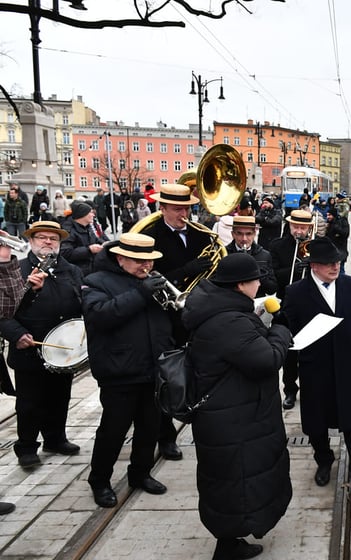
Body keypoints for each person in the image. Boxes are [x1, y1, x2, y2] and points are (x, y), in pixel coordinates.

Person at [181, 253, 293, 560]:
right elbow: (266, 359)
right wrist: (280, 330)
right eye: (256, 280)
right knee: (235, 482)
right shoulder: (229, 320)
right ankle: (227, 547)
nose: (260, 284)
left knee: (229, 481)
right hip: (234, 418)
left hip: (229, 413)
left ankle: (229, 542)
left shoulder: (218, 308)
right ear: (241, 285)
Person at [281, 237, 351, 490]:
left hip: (348, 363)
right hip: (316, 366)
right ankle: (324, 460)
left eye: (338, 262)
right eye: (328, 264)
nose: (335, 267)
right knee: (317, 420)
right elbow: (290, 333)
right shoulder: (296, 292)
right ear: (314, 265)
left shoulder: (349, 285)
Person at [82, 234, 173, 508]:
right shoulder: (95, 282)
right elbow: (101, 316)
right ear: (120, 258)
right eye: (139, 260)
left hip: (152, 366)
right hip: (118, 370)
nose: (145, 265)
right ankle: (99, 480)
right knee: (113, 430)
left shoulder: (151, 279)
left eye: (149, 260)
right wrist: (141, 293)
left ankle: (140, 473)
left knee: (149, 427)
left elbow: (164, 319)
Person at [137, 184, 216, 461]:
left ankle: (203, 421)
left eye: (187, 208)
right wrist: (188, 271)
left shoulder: (200, 233)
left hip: (197, 313)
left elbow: (213, 267)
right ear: (162, 209)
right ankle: (166, 436)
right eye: (177, 209)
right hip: (164, 315)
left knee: (201, 371)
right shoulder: (149, 236)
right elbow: (147, 275)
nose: (184, 213)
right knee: (167, 378)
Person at [0, 221, 83, 468]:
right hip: (30, 346)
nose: (48, 242)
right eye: (42, 238)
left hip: (63, 349)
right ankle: (26, 447)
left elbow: (81, 300)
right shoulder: (17, 270)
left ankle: (55, 439)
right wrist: (17, 335)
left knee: (60, 397)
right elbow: (3, 313)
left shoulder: (71, 270)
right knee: (29, 403)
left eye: (53, 239)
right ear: (31, 242)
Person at [269, 209, 314, 410]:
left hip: (310, 303)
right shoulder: (277, 246)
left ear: (309, 228)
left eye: (303, 228)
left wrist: (311, 265)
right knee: (289, 350)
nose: (299, 231)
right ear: (289, 226)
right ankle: (289, 388)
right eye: (295, 226)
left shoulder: (316, 246)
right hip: (285, 302)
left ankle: (310, 388)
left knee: (310, 348)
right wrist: (293, 270)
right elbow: (272, 275)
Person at [225, 216, 277, 298]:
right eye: (239, 233)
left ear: (254, 234)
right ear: (233, 234)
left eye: (248, 234)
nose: (244, 238)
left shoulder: (264, 255)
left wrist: (260, 275)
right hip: (230, 302)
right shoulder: (224, 254)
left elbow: (272, 289)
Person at [59, 202, 108, 277]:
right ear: (83, 215)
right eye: (91, 213)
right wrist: (89, 250)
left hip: (91, 269)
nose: (93, 215)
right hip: (76, 273)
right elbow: (65, 253)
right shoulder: (68, 230)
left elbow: (96, 240)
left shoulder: (87, 227)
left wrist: (105, 244)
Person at [325, 206, 350, 273]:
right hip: (330, 253)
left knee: (340, 271)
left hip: (340, 252)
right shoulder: (328, 224)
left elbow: (345, 233)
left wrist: (335, 226)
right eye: (327, 215)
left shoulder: (342, 221)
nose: (328, 217)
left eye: (329, 215)